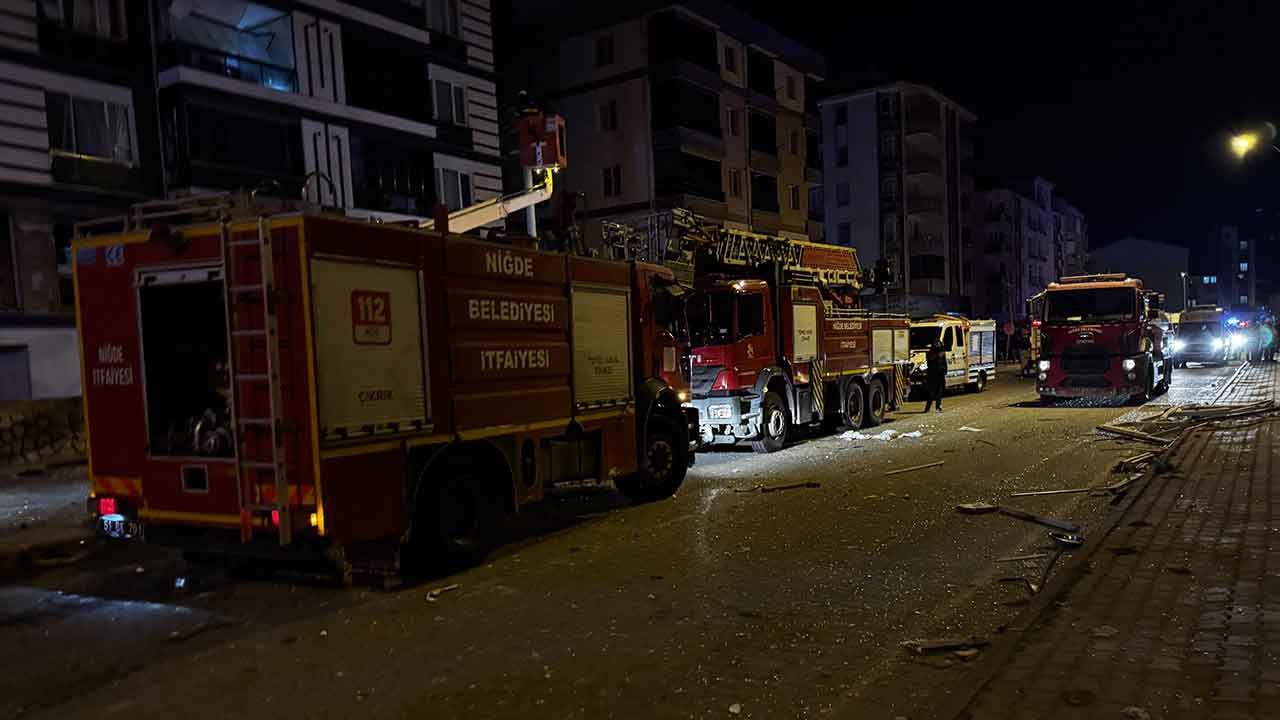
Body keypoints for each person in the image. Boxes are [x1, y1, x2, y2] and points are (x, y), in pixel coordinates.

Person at [923, 340, 948, 413]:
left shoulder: (942, 353)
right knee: (931, 393)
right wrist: (937, 356)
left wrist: (945, 371)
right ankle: (927, 408)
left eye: (938, 344)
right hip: (932, 375)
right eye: (936, 344)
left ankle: (938, 407)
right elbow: (930, 360)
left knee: (939, 393)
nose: (937, 346)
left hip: (940, 375)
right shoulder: (930, 352)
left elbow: (944, 363)